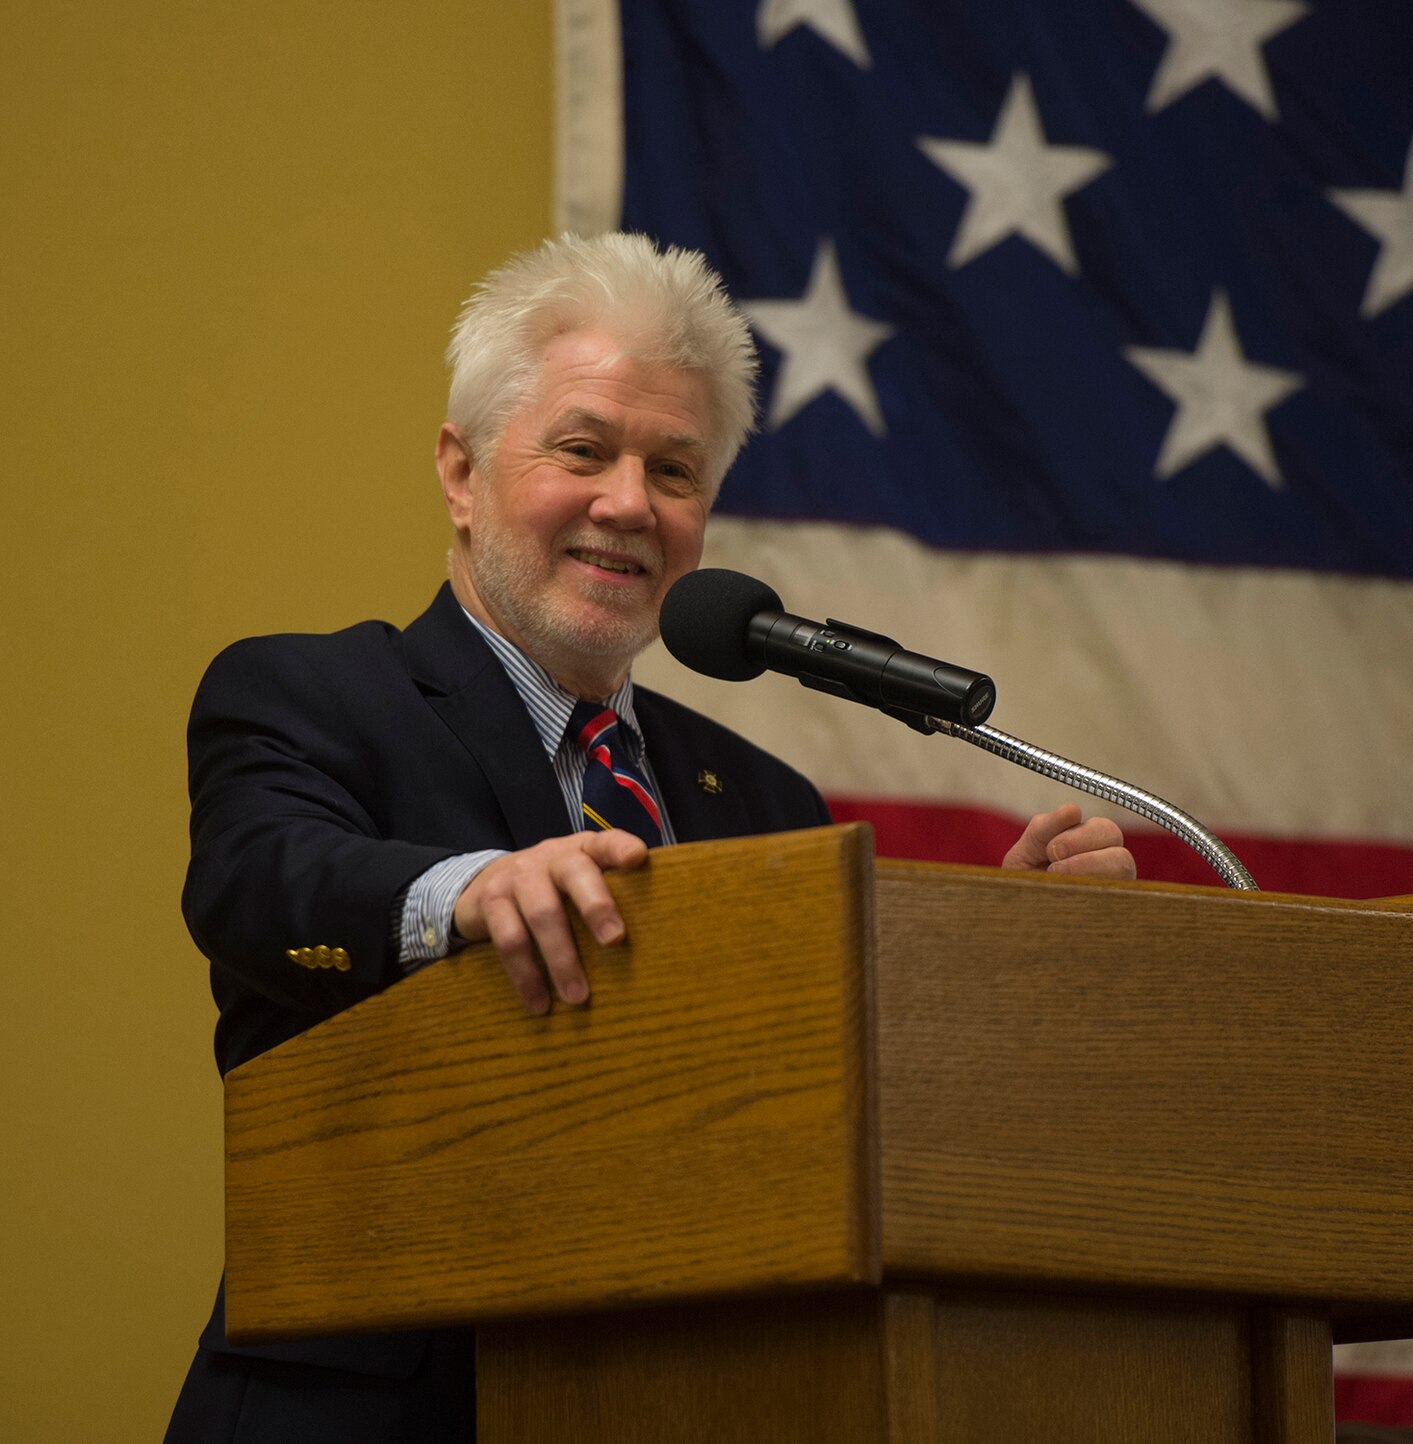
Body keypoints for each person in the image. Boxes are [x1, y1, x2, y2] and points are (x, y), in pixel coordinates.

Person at [163, 232, 1135, 1443]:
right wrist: (472, 893)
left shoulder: (767, 800)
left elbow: (831, 1113)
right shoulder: (308, 696)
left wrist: (1004, 952)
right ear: (460, 474)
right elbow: (259, 889)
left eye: (673, 471)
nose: (628, 502)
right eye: (583, 449)